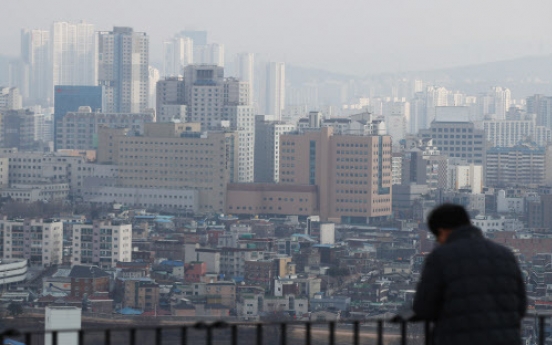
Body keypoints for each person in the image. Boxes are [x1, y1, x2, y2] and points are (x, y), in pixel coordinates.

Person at [412, 204, 526, 345]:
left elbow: (424, 307)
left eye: (437, 236)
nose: (438, 241)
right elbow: (521, 306)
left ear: (443, 231)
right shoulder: (506, 255)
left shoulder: (440, 258)